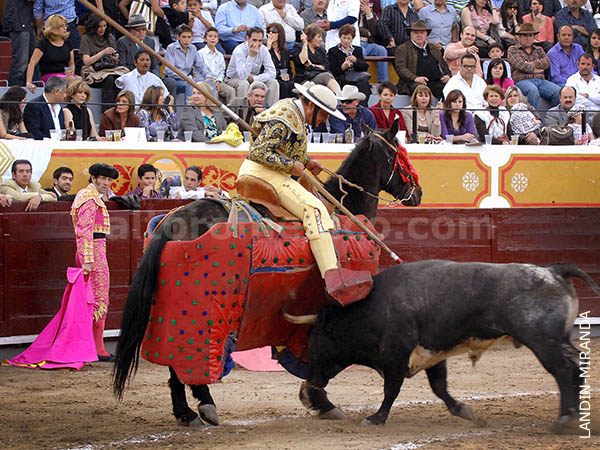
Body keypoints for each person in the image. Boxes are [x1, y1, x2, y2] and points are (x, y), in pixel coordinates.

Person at [238, 81, 373, 305]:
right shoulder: (284, 118)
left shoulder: (293, 113)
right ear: (310, 105)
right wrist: (291, 166)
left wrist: (307, 162)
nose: (324, 120)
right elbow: (259, 152)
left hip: (274, 172)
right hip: (263, 173)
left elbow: (285, 149)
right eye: (323, 115)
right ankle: (333, 278)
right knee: (315, 209)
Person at [71, 162, 119, 361]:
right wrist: (88, 261)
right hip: (93, 254)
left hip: (92, 252)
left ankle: (92, 346)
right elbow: (84, 232)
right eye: (103, 179)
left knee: (91, 300)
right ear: (93, 179)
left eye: (109, 180)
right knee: (99, 299)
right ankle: (98, 349)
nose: (106, 183)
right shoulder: (90, 199)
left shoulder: (88, 196)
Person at [80, 14, 129, 113]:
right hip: (93, 70)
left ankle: (121, 108)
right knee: (109, 79)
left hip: (109, 68)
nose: (102, 29)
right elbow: (86, 61)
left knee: (119, 79)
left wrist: (114, 57)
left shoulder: (110, 37)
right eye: (99, 26)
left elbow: (115, 59)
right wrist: (103, 52)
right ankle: (107, 110)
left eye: (104, 26)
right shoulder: (86, 38)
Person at [507, 23, 561, 108]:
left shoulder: (539, 49)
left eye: (530, 35)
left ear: (533, 37)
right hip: (522, 80)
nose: (528, 38)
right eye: (525, 35)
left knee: (558, 91)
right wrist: (537, 68)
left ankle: (553, 117)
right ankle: (533, 117)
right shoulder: (513, 49)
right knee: (532, 90)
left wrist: (531, 64)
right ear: (519, 37)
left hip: (540, 80)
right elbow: (521, 65)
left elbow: (547, 62)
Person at [394, 20, 451, 100]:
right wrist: (415, 78)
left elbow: (444, 65)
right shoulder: (402, 49)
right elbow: (401, 69)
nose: (419, 35)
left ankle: (446, 112)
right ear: (410, 34)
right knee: (421, 90)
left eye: (421, 33)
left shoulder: (434, 48)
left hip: (436, 82)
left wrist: (447, 75)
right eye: (416, 33)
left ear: (426, 34)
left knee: (451, 88)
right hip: (413, 83)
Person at [226, 27, 279, 107]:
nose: (257, 43)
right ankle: (243, 114)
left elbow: (272, 72)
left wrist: (255, 79)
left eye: (260, 41)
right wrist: (251, 56)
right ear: (247, 38)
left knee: (274, 82)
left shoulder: (264, 50)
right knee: (244, 84)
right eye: (254, 40)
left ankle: (270, 113)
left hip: (254, 78)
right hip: (234, 79)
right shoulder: (239, 50)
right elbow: (242, 76)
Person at [25, 14, 78, 92]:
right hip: (48, 76)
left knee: (79, 80)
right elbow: (32, 63)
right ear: (54, 28)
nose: (65, 28)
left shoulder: (68, 43)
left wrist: (71, 71)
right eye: (62, 26)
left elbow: (71, 63)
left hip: (65, 75)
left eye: (66, 26)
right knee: (71, 80)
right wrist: (28, 82)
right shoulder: (44, 43)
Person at [33, 0, 82, 74]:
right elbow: (37, 8)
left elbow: (38, 9)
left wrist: (39, 27)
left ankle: (72, 80)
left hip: (65, 24)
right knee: (75, 56)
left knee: (75, 55)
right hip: (61, 24)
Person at [291, 24, 341, 94]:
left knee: (327, 82)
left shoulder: (321, 50)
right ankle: (341, 98)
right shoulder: (298, 47)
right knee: (327, 76)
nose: (321, 40)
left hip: (320, 77)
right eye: (318, 37)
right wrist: (305, 44)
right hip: (305, 78)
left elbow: (326, 66)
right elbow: (303, 61)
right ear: (310, 37)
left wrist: (313, 66)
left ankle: (339, 100)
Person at [328, 24, 372, 103]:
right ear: (340, 37)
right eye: (344, 38)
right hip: (343, 79)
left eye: (349, 38)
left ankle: (363, 107)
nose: (346, 41)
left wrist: (356, 61)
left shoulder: (357, 50)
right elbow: (332, 71)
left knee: (363, 84)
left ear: (352, 39)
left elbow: (365, 66)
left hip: (357, 77)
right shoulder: (333, 51)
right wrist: (343, 67)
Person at [164, 24, 212, 96]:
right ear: (178, 37)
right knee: (191, 84)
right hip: (173, 79)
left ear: (192, 37)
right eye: (184, 37)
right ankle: (188, 107)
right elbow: (169, 70)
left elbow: (200, 65)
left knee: (208, 84)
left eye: (189, 37)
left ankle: (210, 107)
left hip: (188, 79)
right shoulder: (171, 48)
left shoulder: (193, 48)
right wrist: (185, 78)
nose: (186, 40)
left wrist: (208, 77)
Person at [198, 27, 236, 105]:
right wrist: (210, 81)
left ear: (218, 40)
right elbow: (199, 70)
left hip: (217, 81)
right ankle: (215, 115)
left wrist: (218, 81)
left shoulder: (220, 55)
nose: (213, 38)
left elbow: (222, 70)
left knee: (230, 91)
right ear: (205, 39)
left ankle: (230, 115)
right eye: (210, 36)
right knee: (213, 91)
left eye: (215, 37)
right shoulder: (200, 53)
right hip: (205, 81)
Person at [3, 0, 36, 87]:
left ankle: (25, 86)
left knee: (30, 59)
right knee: (21, 62)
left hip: (26, 22)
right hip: (19, 21)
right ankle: (16, 91)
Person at [23, 76, 66, 140]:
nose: (65, 95)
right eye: (64, 92)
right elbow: (34, 131)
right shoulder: (34, 105)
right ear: (56, 91)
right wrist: (50, 141)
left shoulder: (59, 108)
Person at [358, 0, 389, 83]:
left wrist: (369, 14)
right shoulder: (351, 12)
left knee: (381, 50)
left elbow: (375, 31)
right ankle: (363, 82)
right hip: (356, 43)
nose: (363, 2)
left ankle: (383, 82)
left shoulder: (372, 14)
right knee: (361, 52)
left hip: (369, 43)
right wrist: (366, 32)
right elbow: (353, 29)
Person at [266, 22, 295, 99]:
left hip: (284, 78)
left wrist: (289, 76)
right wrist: (268, 46)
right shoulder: (265, 50)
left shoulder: (285, 51)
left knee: (292, 84)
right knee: (283, 85)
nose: (271, 33)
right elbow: (264, 66)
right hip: (272, 78)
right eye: (269, 32)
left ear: (280, 34)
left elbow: (289, 69)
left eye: (274, 31)